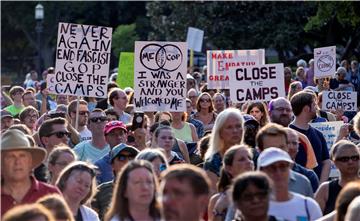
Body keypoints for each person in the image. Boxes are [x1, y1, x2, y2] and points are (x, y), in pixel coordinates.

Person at [1, 129, 60, 215]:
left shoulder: (50, 194)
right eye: (11, 156)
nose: (17, 162)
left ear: (30, 161)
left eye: (22, 156)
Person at [258, 148, 323, 220]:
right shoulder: (253, 208)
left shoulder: (308, 206)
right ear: (261, 172)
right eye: (272, 167)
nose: (278, 172)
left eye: (283, 166)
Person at [256, 123, 314, 197]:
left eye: (281, 147)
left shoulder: (303, 183)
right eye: (271, 148)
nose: (277, 152)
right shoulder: (248, 187)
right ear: (260, 151)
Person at [290, 91, 331, 183]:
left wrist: (320, 186)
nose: (317, 108)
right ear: (306, 108)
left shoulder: (318, 134)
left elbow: (326, 162)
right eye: (314, 105)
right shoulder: (287, 135)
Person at [92, 143, 139, 220]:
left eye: (132, 158)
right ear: (112, 165)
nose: (127, 162)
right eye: (121, 158)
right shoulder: (100, 191)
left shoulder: (144, 189)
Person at [208, 145, 254, 221]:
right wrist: (219, 210)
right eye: (242, 159)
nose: (248, 162)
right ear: (229, 168)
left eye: (249, 158)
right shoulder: (217, 200)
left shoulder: (264, 193)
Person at [204, 107, 244, 192]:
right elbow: (213, 197)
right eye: (229, 127)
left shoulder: (253, 155)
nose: (235, 131)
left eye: (238, 126)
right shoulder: (212, 162)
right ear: (220, 132)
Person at [315, 140, 360, 215]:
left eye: (355, 158)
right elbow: (315, 217)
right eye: (344, 159)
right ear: (334, 162)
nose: (350, 162)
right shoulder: (325, 189)